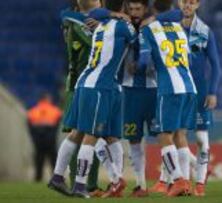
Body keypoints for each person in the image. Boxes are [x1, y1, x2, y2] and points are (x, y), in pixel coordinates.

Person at [48, 0, 137, 198]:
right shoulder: (121, 27)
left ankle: (59, 177)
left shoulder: (99, 26)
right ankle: (80, 185)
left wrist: (109, 14)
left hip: (89, 82)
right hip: (98, 86)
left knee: (80, 132)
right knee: (91, 135)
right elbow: (135, 37)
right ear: (123, 7)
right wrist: (124, 18)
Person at [150, 0, 221, 197]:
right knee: (173, 134)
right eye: (183, 2)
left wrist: (213, 91)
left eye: (191, 2)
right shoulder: (171, 27)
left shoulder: (205, 31)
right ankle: (172, 180)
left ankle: (199, 183)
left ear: (197, 5)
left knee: (200, 139)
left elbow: (216, 65)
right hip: (175, 88)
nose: (187, 6)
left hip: (198, 92)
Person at [137, 0, 197, 197]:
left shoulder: (148, 29)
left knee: (163, 135)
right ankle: (185, 182)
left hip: (170, 88)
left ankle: (178, 180)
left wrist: (138, 68)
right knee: (180, 135)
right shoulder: (179, 27)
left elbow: (144, 61)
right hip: (189, 87)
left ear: (152, 8)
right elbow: (187, 58)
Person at [60, 0, 104, 197]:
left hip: (94, 83)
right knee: (78, 134)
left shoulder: (93, 19)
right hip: (78, 83)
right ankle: (74, 181)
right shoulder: (72, 20)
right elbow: (97, 42)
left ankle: (90, 184)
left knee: (91, 134)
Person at [118, 0, 156, 197]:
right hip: (130, 91)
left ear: (145, 9)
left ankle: (176, 178)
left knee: (166, 136)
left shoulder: (153, 25)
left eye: (138, 9)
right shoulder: (122, 27)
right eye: (131, 9)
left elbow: (175, 15)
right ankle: (141, 185)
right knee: (133, 139)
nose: (134, 13)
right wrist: (116, 15)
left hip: (153, 89)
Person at [27, 94, 62, 182]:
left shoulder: (32, 111)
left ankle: (38, 178)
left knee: (39, 160)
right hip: (50, 139)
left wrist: (34, 138)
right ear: (47, 99)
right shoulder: (55, 110)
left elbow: (30, 127)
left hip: (38, 140)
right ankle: (56, 179)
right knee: (53, 160)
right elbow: (57, 126)